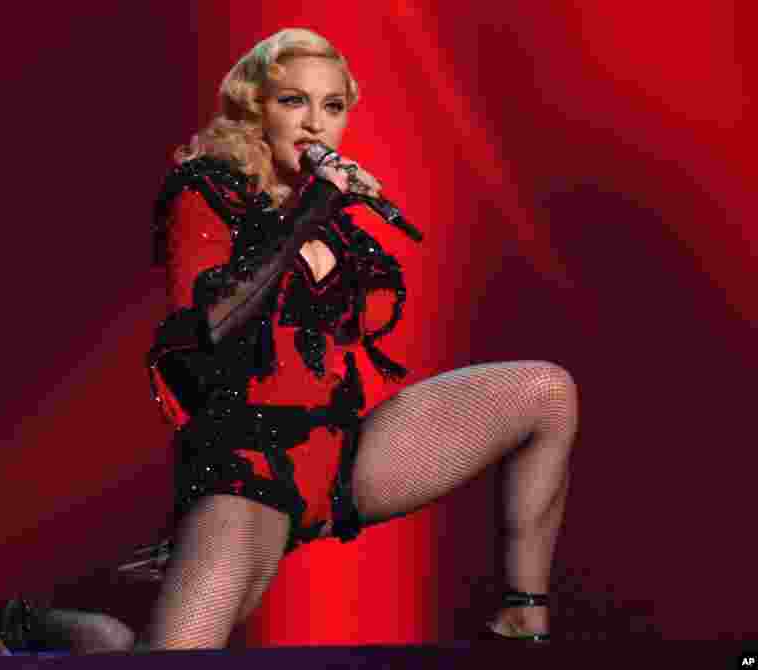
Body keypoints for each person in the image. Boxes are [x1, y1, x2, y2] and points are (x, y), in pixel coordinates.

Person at [68, 27, 578, 652]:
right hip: (245, 468)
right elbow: (214, 320)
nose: (315, 124)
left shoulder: (333, 222)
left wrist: (330, 216)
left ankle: (523, 615)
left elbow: (375, 312)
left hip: (339, 458)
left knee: (546, 390)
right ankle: (55, 630)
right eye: (293, 101)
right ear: (256, 108)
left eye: (332, 106)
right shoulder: (206, 192)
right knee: (166, 659)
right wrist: (314, 206)